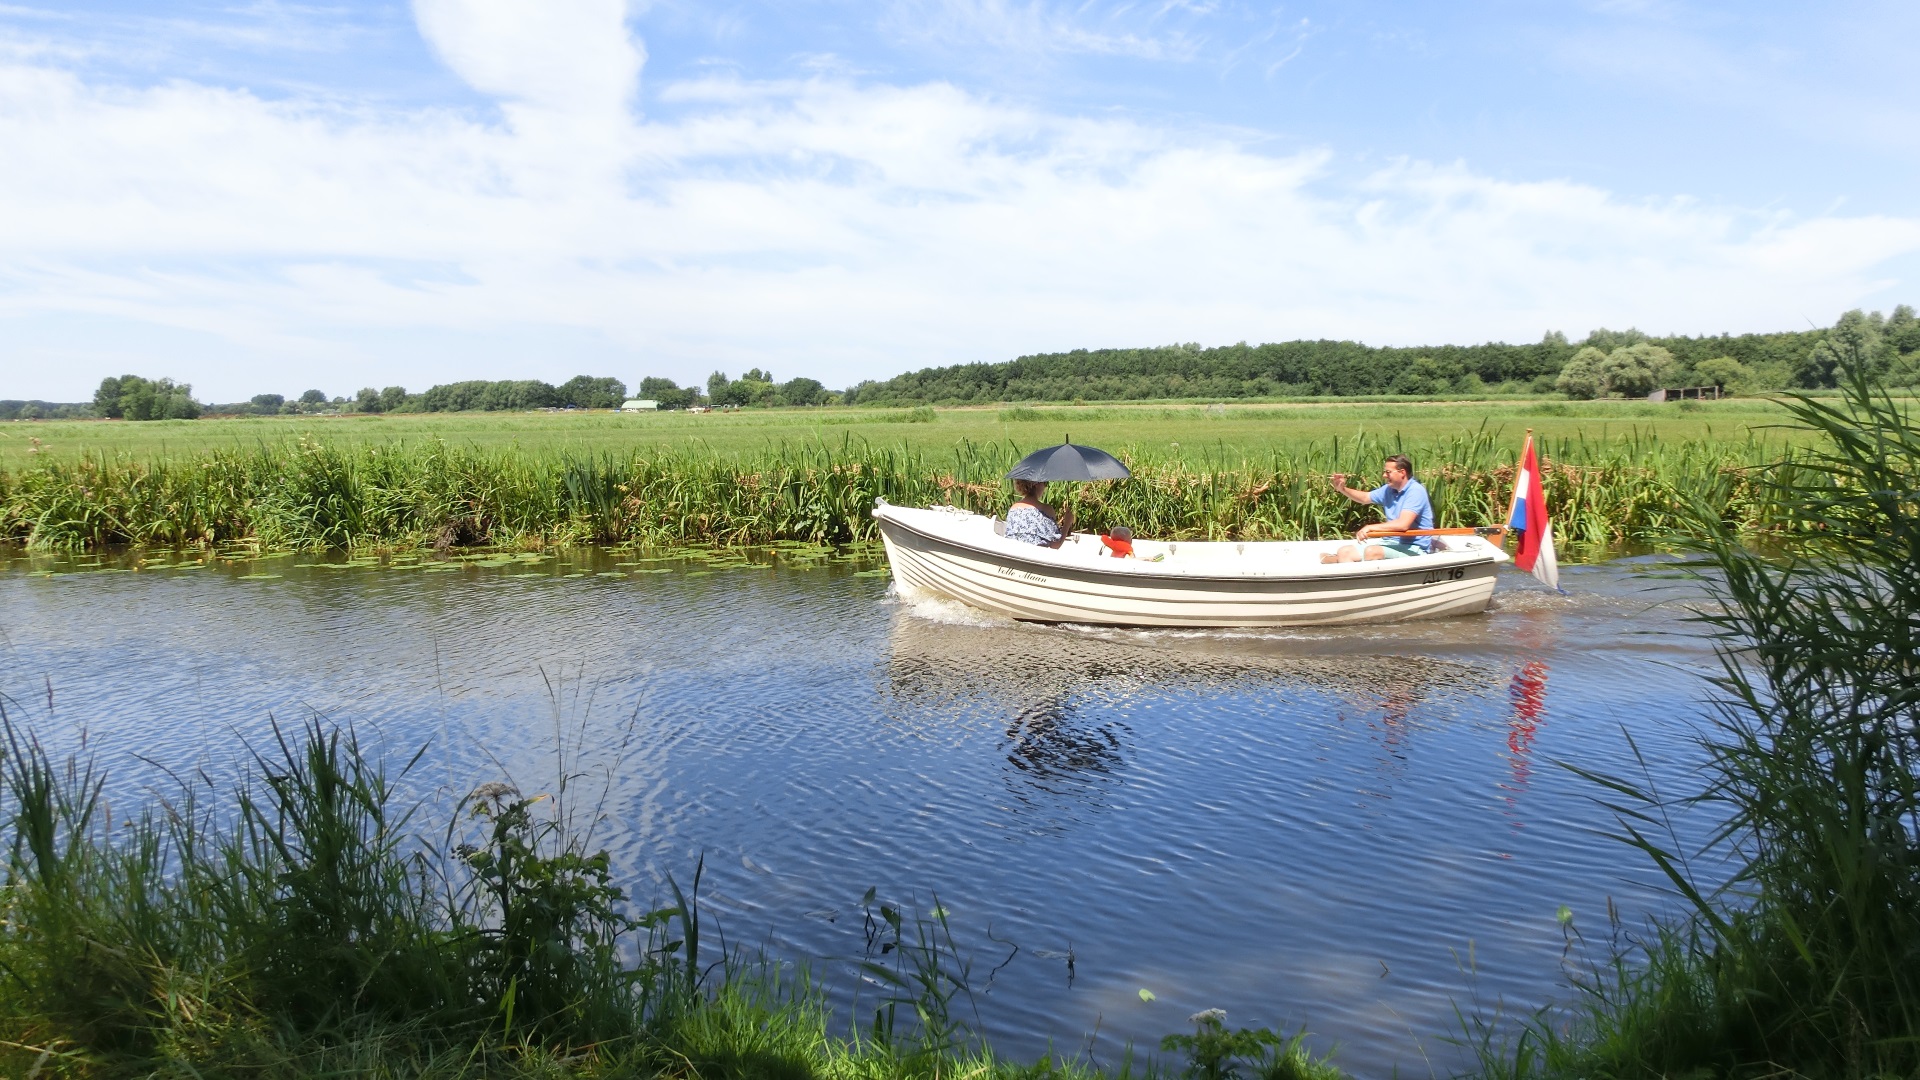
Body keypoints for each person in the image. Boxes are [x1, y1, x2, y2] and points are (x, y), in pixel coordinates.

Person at [1322, 454, 1434, 563]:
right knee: (1344, 552)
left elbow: (1403, 524)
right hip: (1391, 542)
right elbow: (1365, 498)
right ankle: (1348, 572)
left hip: (1414, 547)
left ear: (1402, 473)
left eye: (1388, 472)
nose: (1384, 475)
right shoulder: (1389, 490)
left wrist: (1371, 527)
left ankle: (1337, 562)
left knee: (1372, 552)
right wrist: (1342, 489)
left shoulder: (1415, 491)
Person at [1005, 478, 1076, 548]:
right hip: (1035, 554)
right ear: (1036, 484)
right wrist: (1067, 523)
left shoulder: (1013, 509)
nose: (1045, 487)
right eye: (1045, 483)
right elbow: (1055, 545)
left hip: (1013, 552)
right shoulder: (1046, 510)